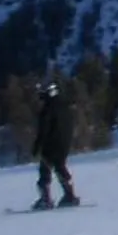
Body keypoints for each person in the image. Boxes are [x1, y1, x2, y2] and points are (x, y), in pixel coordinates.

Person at [31, 80, 79, 209]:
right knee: (60, 166)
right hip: (64, 144)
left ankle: (45, 199)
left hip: (51, 144)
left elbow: (43, 130)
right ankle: (70, 195)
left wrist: (36, 147)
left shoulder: (47, 109)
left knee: (45, 169)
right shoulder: (65, 106)